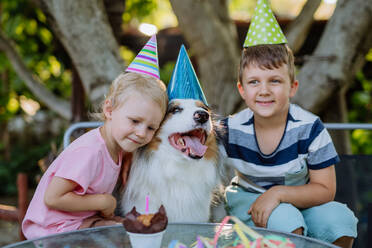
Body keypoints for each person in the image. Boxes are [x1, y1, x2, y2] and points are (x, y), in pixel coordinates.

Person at [221, 1, 357, 247]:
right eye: (253, 82)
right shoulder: (230, 129)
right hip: (250, 207)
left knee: (339, 219)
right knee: (284, 218)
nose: (264, 90)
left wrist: (279, 193)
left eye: (275, 81)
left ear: (292, 87)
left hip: (299, 202)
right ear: (241, 89)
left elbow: (325, 189)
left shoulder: (310, 128)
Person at [22, 35, 168, 239]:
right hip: (51, 231)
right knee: (118, 236)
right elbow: (53, 198)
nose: (142, 133)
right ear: (109, 109)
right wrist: (103, 202)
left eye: (151, 127)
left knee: (126, 230)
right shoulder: (89, 151)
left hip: (78, 221)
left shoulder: (116, 147)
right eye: (134, 121)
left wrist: (127, 157)